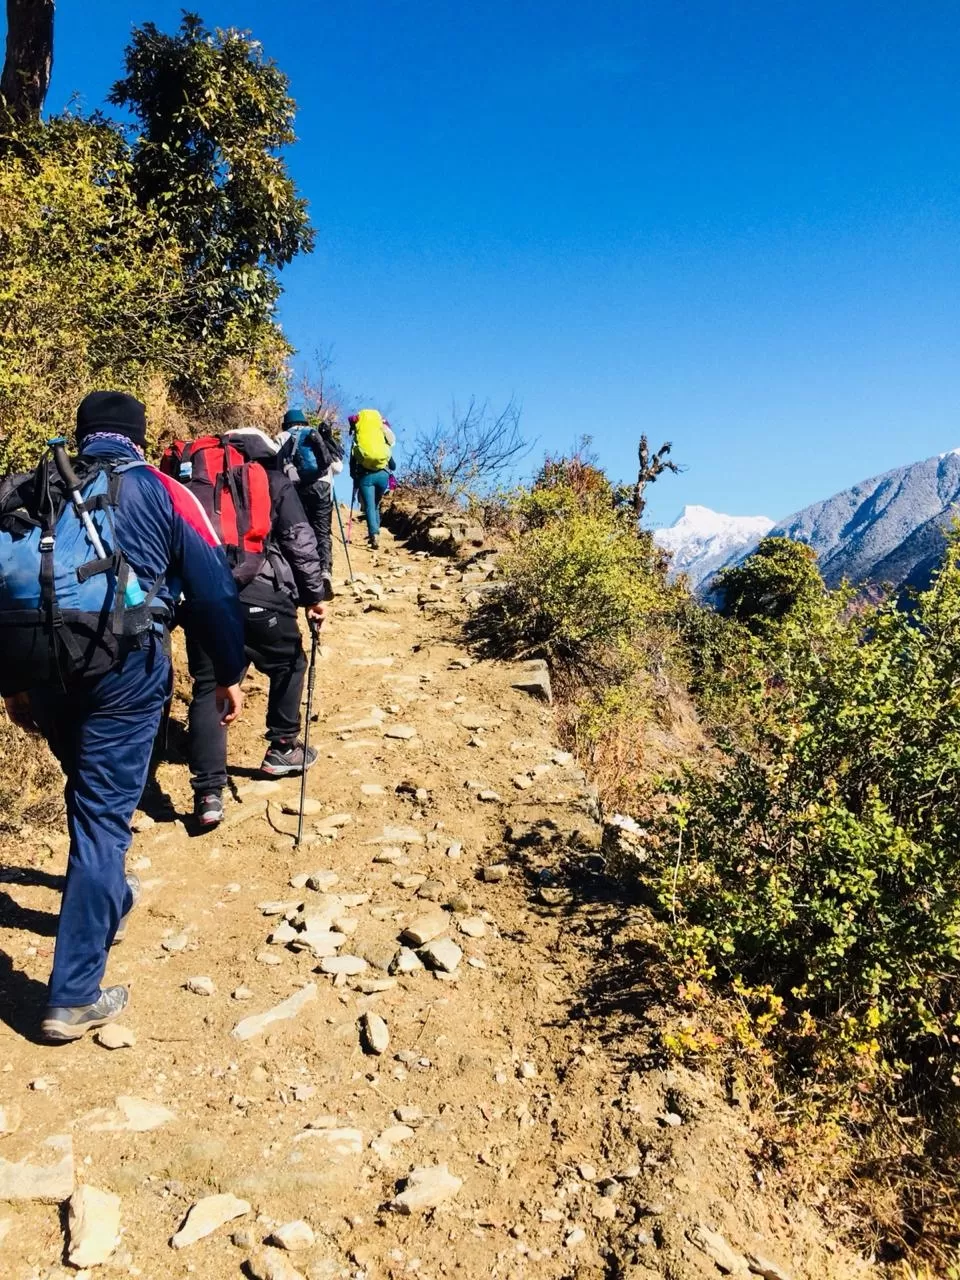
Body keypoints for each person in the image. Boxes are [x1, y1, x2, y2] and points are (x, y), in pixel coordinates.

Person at [0, 391, 246, 1042]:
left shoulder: (36, 488)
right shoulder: (163, 490)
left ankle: (105, 895)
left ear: (84, 436)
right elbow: (216, 592)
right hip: (127, 674)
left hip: (46, 671)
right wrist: (228, 672)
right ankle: (74, 995)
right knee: (102, 822)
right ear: (137, 437)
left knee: (89, 801)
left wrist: (13, 685)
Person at [183, 427, 327, 828]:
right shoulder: (274, 480)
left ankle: (209, 794)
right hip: (261, 597)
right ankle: (282, 747)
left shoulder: (193, 482)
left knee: (209, 686)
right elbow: (300, 541)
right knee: (290, 663)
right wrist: (314, 596)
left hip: (204, 597)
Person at [278, 408, 343, 596]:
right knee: (322, 531)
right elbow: (337, 467)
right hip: (323, 487)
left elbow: (277, 464)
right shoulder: (315, 435)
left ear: (287, 423)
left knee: (303, 531)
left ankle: (306, 576)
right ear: (304, 422)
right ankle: (325, 572)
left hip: (298, 489)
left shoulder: (283, 436)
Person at [348, 408, 396, 550]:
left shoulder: (359, 441)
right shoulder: (382, 442)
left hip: (366, 476)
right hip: (383, 476)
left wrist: (354, 476)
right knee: (375, 504)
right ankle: (377, 532)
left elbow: (353, 462)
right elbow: (393, 465)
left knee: (369, 505)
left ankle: (374, 535)